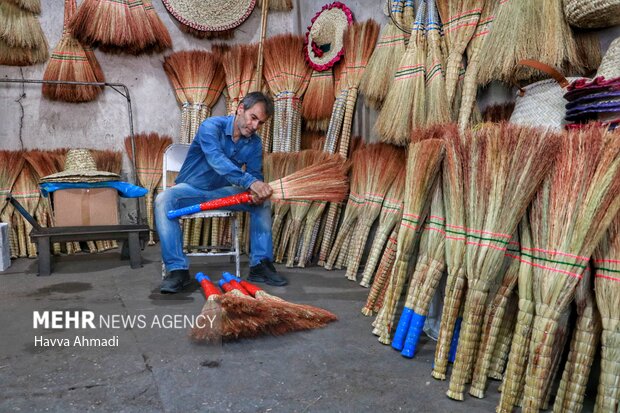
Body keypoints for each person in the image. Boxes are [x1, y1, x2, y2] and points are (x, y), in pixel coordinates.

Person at [155, 92, 287, 293]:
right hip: (192, 190)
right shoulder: (211, 126)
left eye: (260, 123)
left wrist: (258, 190)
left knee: (263, 202)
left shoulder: (255, 143)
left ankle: (260, 265)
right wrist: (251, 182)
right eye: (253, 118)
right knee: (163, 199)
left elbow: (253, 174)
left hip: (224, 193)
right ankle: (177, 270)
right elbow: (217, 160)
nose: (254, 126)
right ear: (240, 109)